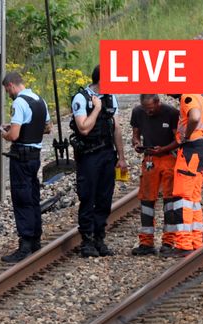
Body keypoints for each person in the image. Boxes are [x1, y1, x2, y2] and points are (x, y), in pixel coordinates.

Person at [69, 65, 127, 257]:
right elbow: (84, 128)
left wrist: (122, 157)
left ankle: (99, 237)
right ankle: (87, 240)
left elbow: (116, 128)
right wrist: (97, 109)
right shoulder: (82, 99)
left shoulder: (111, 97)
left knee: (104, 198)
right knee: (88, 197)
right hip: (89, 155)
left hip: (107, 154)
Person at [0, 71, 52, 263]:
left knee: (21, 198)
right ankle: (36, 238)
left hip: (21, 157)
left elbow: (14, 136)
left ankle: (26, 243)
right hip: (35, 156)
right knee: (33, 196)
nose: (8, 94)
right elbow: (48, 127)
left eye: (8, 90)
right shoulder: (40, 100)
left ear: (12, 85)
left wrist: (5, 133)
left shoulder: (19, 103)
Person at [129, 94, 180, 255]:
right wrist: (137, 143)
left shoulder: (171, 113)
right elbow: (135, 134)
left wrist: (163, 149)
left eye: (150, 109)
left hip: (168, 158)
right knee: (146, 200)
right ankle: (146, 242)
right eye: (145, 109)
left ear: (158, 103)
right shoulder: (138, 112)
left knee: (170, 200)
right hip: (150, 159)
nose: (148, 112)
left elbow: (179, 139)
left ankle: (168, 241)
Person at [162, 94, 203, 257]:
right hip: (201, 147)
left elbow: (195, 117)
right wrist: (199, 133)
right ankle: (196, 241)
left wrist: (187, 135)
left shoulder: (187, 96)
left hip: (190, 150)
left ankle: (184, 244)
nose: (168, 93)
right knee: (194, 199)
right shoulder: (199, 96)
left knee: (182, 198)